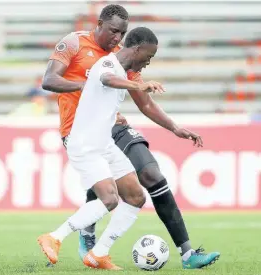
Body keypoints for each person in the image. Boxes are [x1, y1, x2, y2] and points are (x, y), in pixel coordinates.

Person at [42, 4, 220, 269]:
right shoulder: (75, 43)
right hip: (80, 129)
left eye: (122, 33)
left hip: (111, 127)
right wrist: (88, 86)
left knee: (148, 181)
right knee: (108, 195)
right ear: (100, 23)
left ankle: (186, 253)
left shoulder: (123, 57)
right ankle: (78, 235)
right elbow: (49, 80)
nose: (117, 38)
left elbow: (144, 102)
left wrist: (174, 127)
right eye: (113, 31)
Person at [37, 26, 165, 270]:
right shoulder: (108, 65)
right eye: (148, 56)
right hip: (85, 144)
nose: (148, 63)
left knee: (136, 197)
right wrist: (139, 86)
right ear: (137, 49)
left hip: (103, 142)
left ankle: (99, 254)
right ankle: (54, 237)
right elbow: (107, 80)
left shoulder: (121, 69)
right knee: (109, 198)